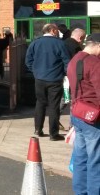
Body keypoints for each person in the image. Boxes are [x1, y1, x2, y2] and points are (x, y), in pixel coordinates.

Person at [67, 33, 100, 194]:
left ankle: (80, 192)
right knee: (96, 160)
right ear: (98, 45)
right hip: (93, 118)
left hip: (78, 113)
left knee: (81, 158)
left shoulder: (74, 60)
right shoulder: (95, 63)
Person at [25, 23, 71, 140]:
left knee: (40, 103)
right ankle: (53, 133)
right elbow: (67, 62)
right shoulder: (60, 44)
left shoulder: (35, 43)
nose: (58, 32)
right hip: (55, 79)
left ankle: (38, 129)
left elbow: (28, 60)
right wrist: (65, 74)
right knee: (54, 106)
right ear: (52, 30)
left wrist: (35, 72)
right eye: (56, 30)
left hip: (39, 79)